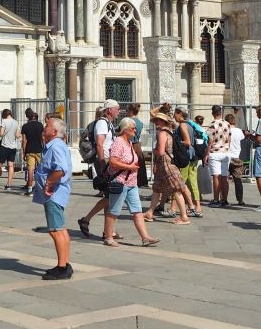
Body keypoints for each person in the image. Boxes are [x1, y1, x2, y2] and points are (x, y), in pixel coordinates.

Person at [101, 118, 160, 248]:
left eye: (135, 129)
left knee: (137, 211)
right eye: (132, 128)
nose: (135, 131)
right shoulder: (118, 142)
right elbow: (113, 162)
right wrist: (129, 167)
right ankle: (108, 237)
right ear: (125, 129)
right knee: (114, 210)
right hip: (120, 182)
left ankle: (145, 237)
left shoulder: (128, 142)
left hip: (132, 183)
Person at [35, 115, 73, 279]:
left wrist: (49, 183)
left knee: (55, 230)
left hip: (54, 193)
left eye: (47, 126)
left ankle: (62, 267)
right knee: (61, 229)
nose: (44, 128)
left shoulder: (55, 146)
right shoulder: (56, 145)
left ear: (55, 132)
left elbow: (61, 169)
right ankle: (65, 263)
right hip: (58, 192)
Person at [77, 101, 120, 237]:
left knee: (109, 196)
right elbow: (100, 144)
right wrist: (102, 164)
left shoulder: (108, 123)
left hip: (107, 160)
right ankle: (86, 219)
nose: (119, 111)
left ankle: (107, 230)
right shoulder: (102, 123)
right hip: (104, 161)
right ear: (109, 110)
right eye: (117, 109)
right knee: (111, 195)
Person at [147, 108, 189, 222]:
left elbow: (161, 152)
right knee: (157, 188)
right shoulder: (169, 131)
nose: (156, 122)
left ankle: (184, 217)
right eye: (155, 120)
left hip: (166, 164)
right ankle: (150, 212)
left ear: (163, 121)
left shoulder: (162, 133)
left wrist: (154, 151)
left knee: (176, 189)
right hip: (165, 164)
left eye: (158, 120)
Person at [173, 107, 204, 217]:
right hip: (193, 156)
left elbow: (187, 142)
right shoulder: (190, 124)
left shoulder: (182, 125)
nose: (173, 116)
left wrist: (177, 142)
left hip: (186, 157)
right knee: (192, 182)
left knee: (179, 183)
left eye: (175, 113)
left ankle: (173, 208)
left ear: (180, 114)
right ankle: (197, 207)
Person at [207, 105, 233, 208]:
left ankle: (216, 199)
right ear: (221, 112)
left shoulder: (212, 124)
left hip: (215, 152)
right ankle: (224, 199)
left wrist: (206, 154)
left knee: (216, 176)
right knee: (224, 176)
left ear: (212, 113)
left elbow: (210, 141)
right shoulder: (227, 124)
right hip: (225, 152)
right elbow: (229, 139)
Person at [0, 108, 21, 190]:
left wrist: (4, 132)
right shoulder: (16, 122)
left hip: (4, 146)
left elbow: (1, 133)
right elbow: (17, 135)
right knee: (11, 165)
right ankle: (9, 184)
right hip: (13, 146)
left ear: (4, 115)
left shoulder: (4, 121)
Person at [227, 112, 248, 206]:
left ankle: (223, 198)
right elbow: (242, 139)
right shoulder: (239, 131)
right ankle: (240, 200)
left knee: (225, 179)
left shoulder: (226, 130)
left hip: (227, 156)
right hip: (237, 156)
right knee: (238, 180)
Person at [21, 109, 44, 194]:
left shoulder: (25, 126)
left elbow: (24, 141)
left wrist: (24, 152)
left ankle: (29, 188)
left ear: (27, 116)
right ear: (33, 115)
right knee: (41, 169)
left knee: (30, 169)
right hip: (39, 149)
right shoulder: (40, 125)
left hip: (29, 150)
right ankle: (42, 186)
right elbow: (43, 138)